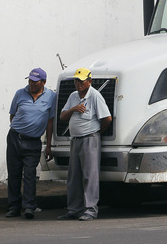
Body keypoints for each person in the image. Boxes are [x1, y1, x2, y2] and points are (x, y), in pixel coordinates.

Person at [58, 68, 112, 221]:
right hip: (75, 140)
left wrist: (97, 133)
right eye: (76, 80)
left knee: (90, 175)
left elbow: (107, 118)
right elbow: (62, 116)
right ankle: (74, 209)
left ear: (89, 81)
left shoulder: (95, 95)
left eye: (81, 81)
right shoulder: (73, 96)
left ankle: (90, 210)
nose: (78, 83)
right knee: (74, 176)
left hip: (90, 138)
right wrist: (74, 109)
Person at [6, 67, 56, 219]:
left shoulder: (51, 97)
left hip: (33, 142)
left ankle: (29, 207)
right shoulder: (20, 93)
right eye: (30, 81)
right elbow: (12, 115)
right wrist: (19, 130)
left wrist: (48, 145)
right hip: (15, 138)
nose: (32, 84)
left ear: (43, 82)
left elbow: (50, 121)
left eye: (35, 82)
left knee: (29, 174)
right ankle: (14, 207)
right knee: (14, 174)